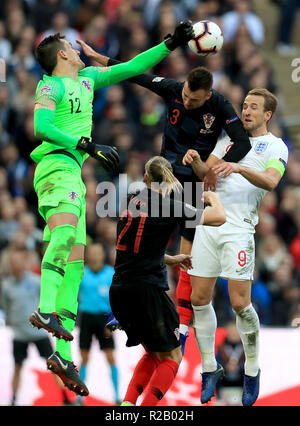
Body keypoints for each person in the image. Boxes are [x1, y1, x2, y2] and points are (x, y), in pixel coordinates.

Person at [28, 21, 195, 396]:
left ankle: (63, 354)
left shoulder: (87, 81)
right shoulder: (50, 85)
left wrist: (171, 43)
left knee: (74, 264)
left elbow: (133, 68)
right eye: (70, 45)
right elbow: (40, 125)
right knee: (67, 233)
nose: (76, 47)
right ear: (63, 55)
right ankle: (45, 310)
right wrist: (85, 144)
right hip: (55, 166)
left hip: (73, 173)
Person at [78, 40, 252, 352]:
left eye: (193, 100)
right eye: (185, 95)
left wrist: (213, 166)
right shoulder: (173, 88)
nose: (186, 101)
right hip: (164, 180)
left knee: (185, 254)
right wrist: (98, 57)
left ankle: (179, 321)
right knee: (145, 246)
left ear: (207, 96)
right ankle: (134, 313)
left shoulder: (221, 106)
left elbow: (242, 143)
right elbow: (134, 74)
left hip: (194, 184)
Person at [182, 88, 289, 406]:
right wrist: (198, 162)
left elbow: (271, 181)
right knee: (198, 299)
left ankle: (252, 370)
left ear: (267, 114)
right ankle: (209, 369)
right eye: (244, 106)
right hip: (208, 223)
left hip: (239, 229)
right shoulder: (228, 139)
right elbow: (208, 177)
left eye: (254, 107)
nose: (246, 111)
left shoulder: (275, 146)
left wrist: (240, 167)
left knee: (240, 304)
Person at [109, 155, 226, 406]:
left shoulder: (130, 201)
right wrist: (211, 198)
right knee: (173, 355)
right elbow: (219, 217)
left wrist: (171, 259)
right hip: (146, 292)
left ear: (145, 178)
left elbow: (137, 249)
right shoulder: (169, 206)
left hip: (119, 289)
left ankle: (128, 405)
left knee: (153, 351)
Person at [1, 249, 72, 406]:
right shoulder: (6, 286)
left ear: (25, 263)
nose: (16, 265)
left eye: (19, 261)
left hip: (38, 332)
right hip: (19, 334)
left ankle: (66, 398)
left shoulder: (36, 281)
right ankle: (13, 400)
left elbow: (50, 299)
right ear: (11, 264)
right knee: (17, 366)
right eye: (13, 262)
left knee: (54, 366)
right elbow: (5, 307)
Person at [78, 243, 120, 405]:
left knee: (111, 357)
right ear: (88, 256)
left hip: (105, 319)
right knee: (84, 357)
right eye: (92, 254)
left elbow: (116, 300)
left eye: (98, 253)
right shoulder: (82, 273)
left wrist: (112, 323)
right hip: (87, 318)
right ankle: (80, 396)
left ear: (103, 255)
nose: (95, 257)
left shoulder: (110, 274)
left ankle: (116, 394)